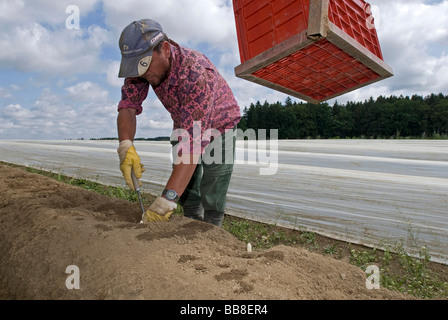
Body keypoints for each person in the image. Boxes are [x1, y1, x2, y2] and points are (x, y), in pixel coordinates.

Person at [116, 19, 241, 227]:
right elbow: (128, 106)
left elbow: (192, 146)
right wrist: (125, 145)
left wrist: (165, 202)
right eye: (135, 67)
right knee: (187, 184)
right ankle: (191, 218)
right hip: (186, 122)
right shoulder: (140, 70)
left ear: (165, 49)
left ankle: (212, 227)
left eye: (145, 65)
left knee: (214, 179)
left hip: (220, 124)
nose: (140, 73)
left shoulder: (196, 73)